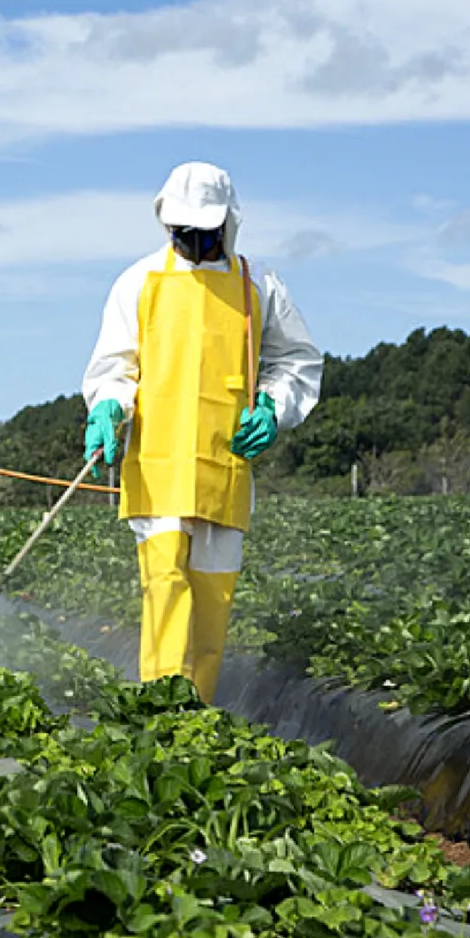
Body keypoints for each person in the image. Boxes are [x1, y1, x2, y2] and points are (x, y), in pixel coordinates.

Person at [80, 161, 321, 703]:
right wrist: (108, 409)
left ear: (227, 225)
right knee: (165, 593)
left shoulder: (258, 285)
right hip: (158, 467)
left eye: (203, 233)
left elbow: (297, 362)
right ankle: (160, 720)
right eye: (183, 233)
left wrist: (273, 408)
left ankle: (198, 722)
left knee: (212, 608)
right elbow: (115, 367)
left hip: (224, 467)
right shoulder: (139, 282)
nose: (193, 242)